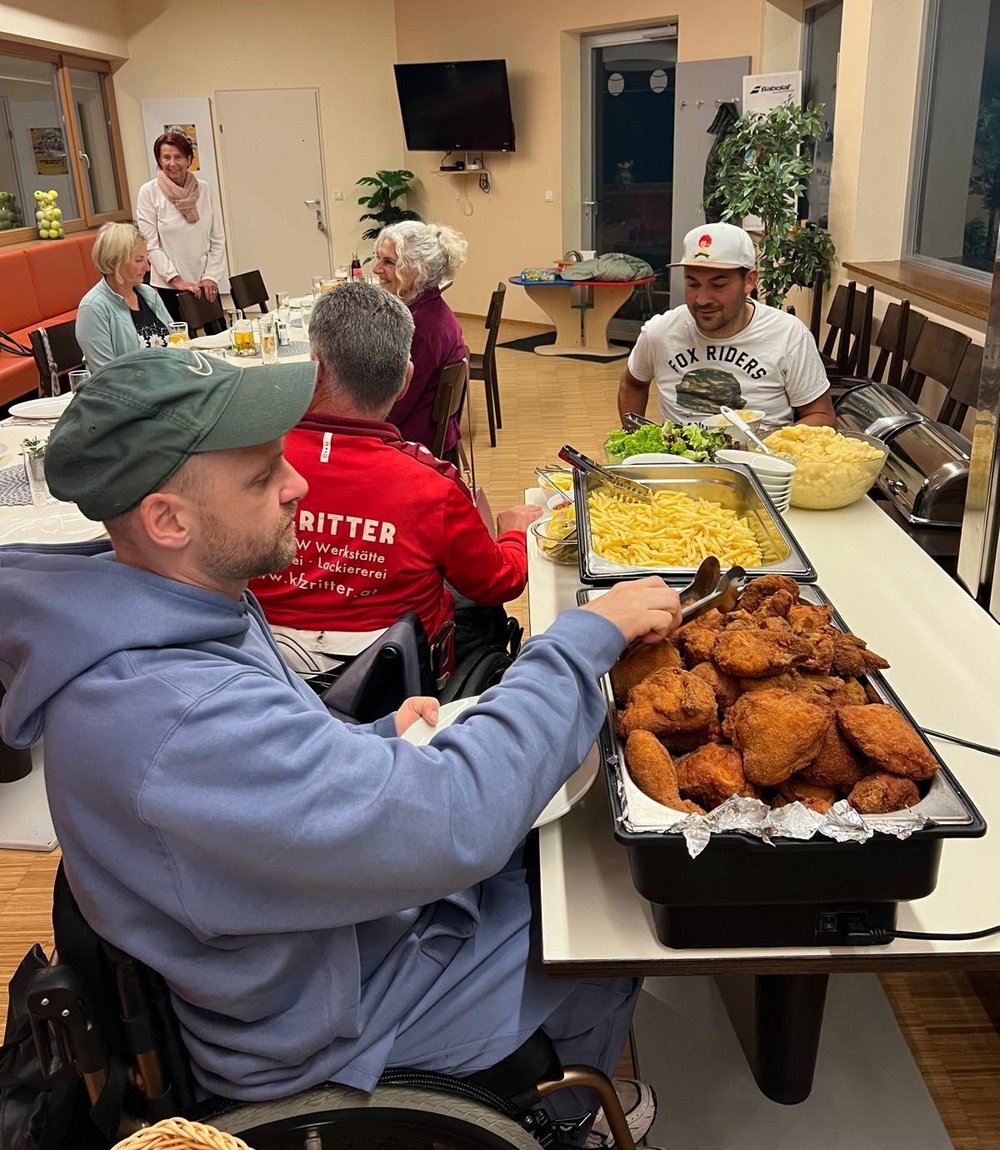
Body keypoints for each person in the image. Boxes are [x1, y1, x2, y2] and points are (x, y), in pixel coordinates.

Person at [0, 348, 681, 1137]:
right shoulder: (178, 716)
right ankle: (567, 1118)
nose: (297, 484)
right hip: (319, 1020)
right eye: (262, 477)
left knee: (563, 858)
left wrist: (366, 738)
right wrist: (576, 643)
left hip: (313, 947)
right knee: (606, 929)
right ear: (167, 519)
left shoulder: (176, 602)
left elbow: (259, 775)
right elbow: (454, 820)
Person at [250, 282, 540, 673]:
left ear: (314, 370)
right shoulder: (434, 486)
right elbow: (498, 583)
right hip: (401, 685)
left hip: (262, 671)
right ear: (406, 380)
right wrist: (515, 533)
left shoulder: (248, 463)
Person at [617, 222, 837, 429]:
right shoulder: (659, 332)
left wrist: (773, 446)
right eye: (693, 284)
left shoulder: (788, 335)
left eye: (719, 285)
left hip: (761, 456)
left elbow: (822, 416)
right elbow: (633, 383)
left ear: (749, 281)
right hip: (679, 456)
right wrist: (634, 438)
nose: (702, 299)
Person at [373, 220, 467, 455]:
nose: (376, 269)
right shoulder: (428, 311)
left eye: (389, 262)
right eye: (378, 258)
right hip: (424, 436)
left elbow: (392, 409)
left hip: (411, 445)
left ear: (420, 271)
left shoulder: (422, 328)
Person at [135, 130, 229, 331]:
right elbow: (150, 245)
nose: (172, 163)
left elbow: (217, 239)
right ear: (159, 160)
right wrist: (177, 280)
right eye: (166, 157)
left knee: (220, 338)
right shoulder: (149, 192)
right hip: (169, 286)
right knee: (182, 344)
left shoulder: (205, 189)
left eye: (178, 157)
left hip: (206, 283)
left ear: (189, 159)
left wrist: (211, 276)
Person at [75, 221, 174, 369]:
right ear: (112, 263)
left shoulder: (148, 294)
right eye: (139, 260)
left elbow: (176, 341)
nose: (147, 267)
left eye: (146, 259)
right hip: (130, 384)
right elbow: (107, 373)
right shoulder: (93, 308)